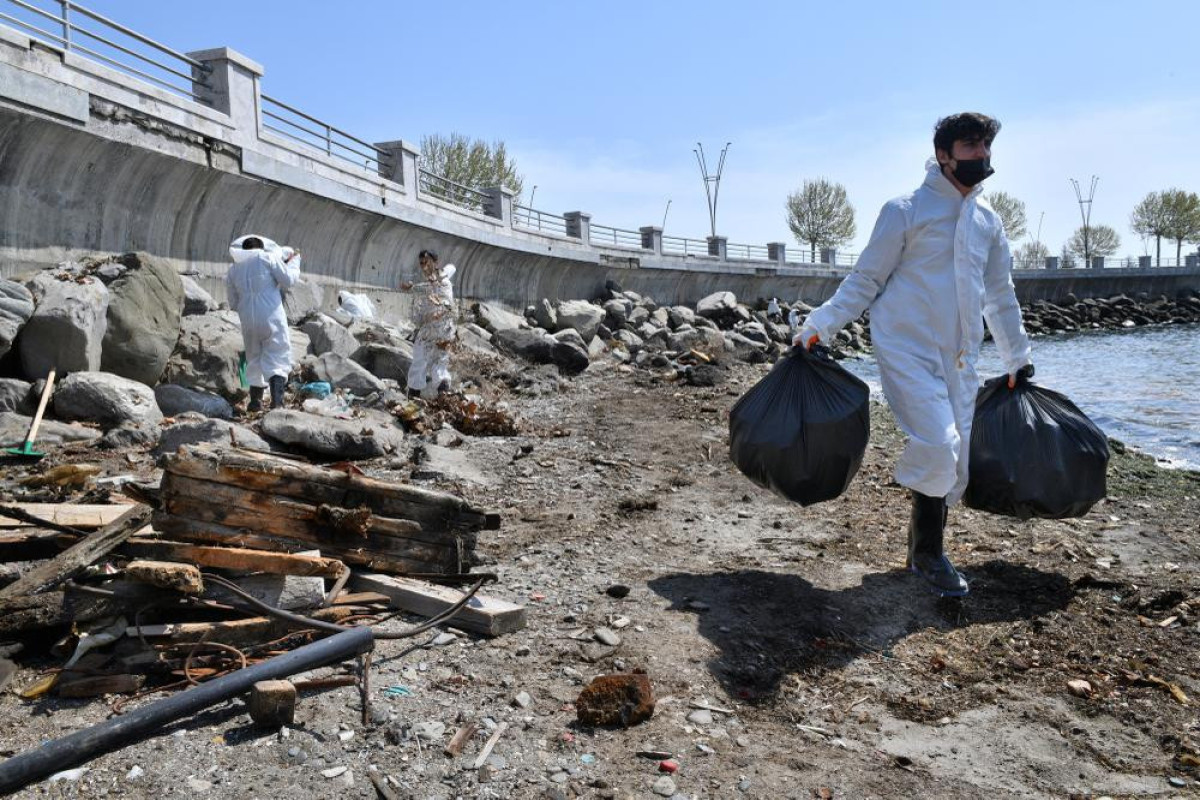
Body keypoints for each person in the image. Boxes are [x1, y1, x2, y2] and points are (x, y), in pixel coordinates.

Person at [793, 112, 1033, 597]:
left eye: (985, 146)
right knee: (939, 443)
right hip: (906, 347)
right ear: (944, 155)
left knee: (956, 458)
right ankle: (928, 555)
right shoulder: (905, 211)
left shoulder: (988, 222)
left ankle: (922, 549)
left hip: (962, 356)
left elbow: (999, 295)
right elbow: (866, 279)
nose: (982, 155)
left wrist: (1017, 358)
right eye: (970, 146)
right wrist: (820, 326)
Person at [225, 234, 301, 412]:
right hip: (270, 316)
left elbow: (233, 302)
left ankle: (255, 402)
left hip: (247, 320)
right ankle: (277, 403)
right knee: (277, 354)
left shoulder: (233, 270)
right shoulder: (267, 258)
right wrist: (294, 262)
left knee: (254, 357)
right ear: (261, 247)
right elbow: (288, 280)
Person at [400, 249, 457, 399]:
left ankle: (443, 395)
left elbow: (447, 305)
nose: (424, 266)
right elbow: (419, 295)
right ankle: (416, 396)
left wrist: (438, 314)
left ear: (435, 262)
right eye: (422, 263)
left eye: (427, 262)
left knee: (438, 361)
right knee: (420, 360)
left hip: (441, 330)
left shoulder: (444, 283)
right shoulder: (426, 285)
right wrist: (410, 288)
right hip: (428, 330)